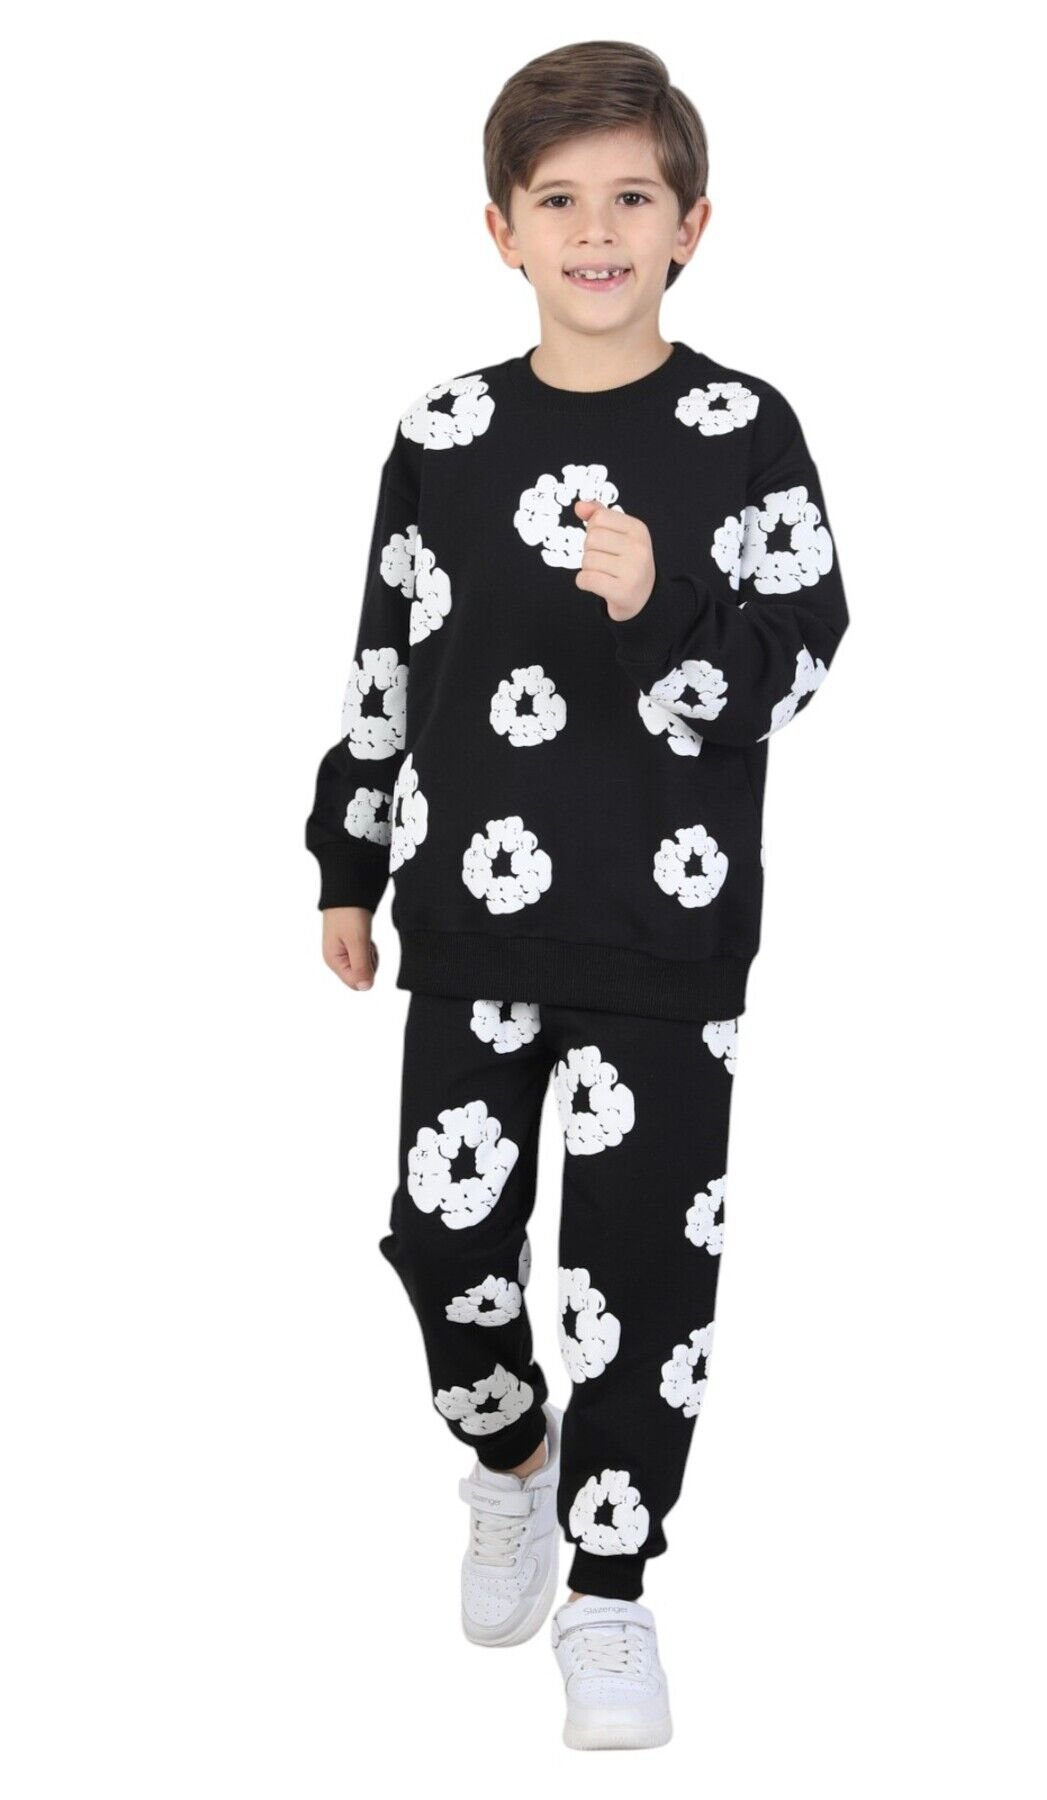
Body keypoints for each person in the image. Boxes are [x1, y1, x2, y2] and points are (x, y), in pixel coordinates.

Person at [304, 38, 850, 1751]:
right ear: (502, 229)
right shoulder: (446, 432)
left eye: (632, 198)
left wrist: (661, 602)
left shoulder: (742, 429)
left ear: (693, 224)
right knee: (443, 1236)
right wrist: (349, 856)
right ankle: (512, 1458)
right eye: (560, 200)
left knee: (640, 1276)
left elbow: (798, 660)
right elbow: (387, 658)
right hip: (471, 921)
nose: (597, 232)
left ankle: (610, 1592)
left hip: (665, 938)